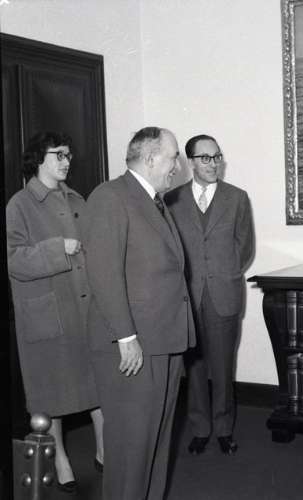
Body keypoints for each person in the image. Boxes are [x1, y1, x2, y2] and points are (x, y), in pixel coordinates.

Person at [83, 127, 196, 500]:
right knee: (131, 451)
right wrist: (126, 336)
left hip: (163, 341)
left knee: (156, 446)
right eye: (173, 157)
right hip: (134, 347)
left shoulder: (155, 201)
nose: (177, 166)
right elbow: (103, 273)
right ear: (149, 158)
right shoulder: (110, 197)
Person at [6, 132, 104, 493]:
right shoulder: (19, 205)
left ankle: (104, 449)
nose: (66, 161)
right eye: (58, 154)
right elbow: (13, 259)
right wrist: (57, 248)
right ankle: (60, 459)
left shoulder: (77, 198)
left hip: (85, 308)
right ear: (38, 159)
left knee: (97, 385)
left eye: (68, 155)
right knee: (52, 392)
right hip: (50, 312)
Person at [164, 134, 254, 455]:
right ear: (191, 162)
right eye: (205, 158)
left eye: (217, 157)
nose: (214, 163)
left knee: (223, 367)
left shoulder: (237, 198)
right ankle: (200, 428)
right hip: (187, 297)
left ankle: (224, 428)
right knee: (194, 367)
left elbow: (245, 247)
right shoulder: (171, 199)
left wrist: (223, 272)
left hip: (223, 295)